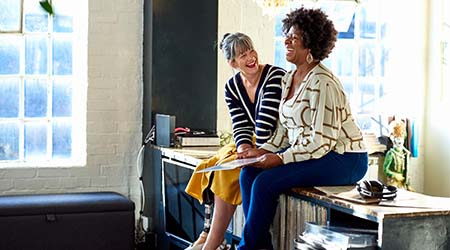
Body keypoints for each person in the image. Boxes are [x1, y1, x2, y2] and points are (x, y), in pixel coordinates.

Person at [235, 7, 368, 250]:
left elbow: (321, 142)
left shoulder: (323, 83)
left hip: (344, 158)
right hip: (317, 153)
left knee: (266, 182)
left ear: (310, 47)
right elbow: (285, 130)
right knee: (248, 174)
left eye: (293, 37)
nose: (286, 40)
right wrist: (260, 151)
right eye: (287, 34)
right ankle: (259, 245)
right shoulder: (289, 78)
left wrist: (279, 159)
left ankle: (248, 248)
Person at [184, 32, 286, 250]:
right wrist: (243, 147)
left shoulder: (275, 76)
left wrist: (251, 151)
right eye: (242, 55)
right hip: (253, 142)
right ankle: (209, 234)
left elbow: (266, 123)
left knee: (228, 170)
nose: (251, 58)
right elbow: (240, 125)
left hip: (276, 142)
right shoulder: (232, 87)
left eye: (251, 51)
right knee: (213, 164)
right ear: (232, 62)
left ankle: (212, 241)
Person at [383, 118, 413, 190]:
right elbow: (385, 169)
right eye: (396, 137)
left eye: (401, 137)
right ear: (392, 138)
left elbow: (406, 172)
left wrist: (408, 184)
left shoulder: (405, 154)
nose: (399, 140)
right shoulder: (391, 154)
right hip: (393, 183)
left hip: (403, 184)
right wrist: (394, 175)